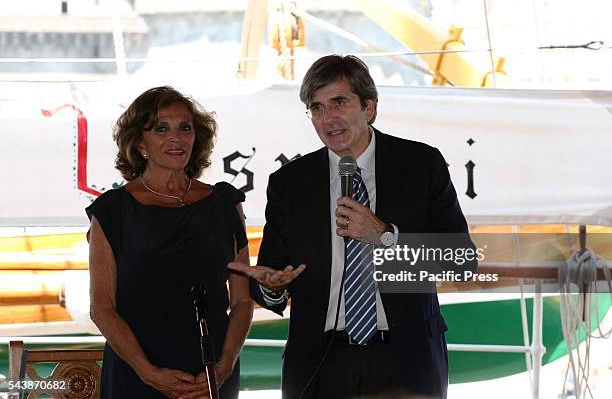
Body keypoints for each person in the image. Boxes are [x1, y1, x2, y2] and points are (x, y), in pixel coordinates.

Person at [229, 55, 469, 398]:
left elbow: (459, 260)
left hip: (405, 358)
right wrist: (273, 288)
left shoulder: (420, 165)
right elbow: (272, 277)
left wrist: (385, 236)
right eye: (317, 107)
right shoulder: (290, 184)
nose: (328, 119)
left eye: (339, 102)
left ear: (369, 107)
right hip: (320, 362)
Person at [88, 86, 253, 399]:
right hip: (137, 375)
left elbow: (242, 301)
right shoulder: (112, 211)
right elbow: (101, 307)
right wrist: (146, 371)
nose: (176, 138)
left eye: (185, 128)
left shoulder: (224, 203)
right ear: (139, 143)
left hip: (212, 373)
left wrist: (225, 365)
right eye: (161, 128)